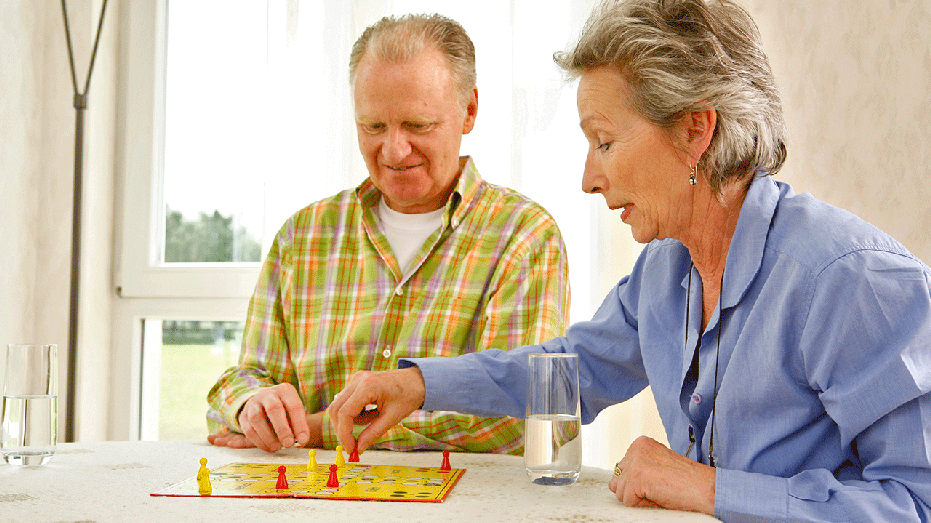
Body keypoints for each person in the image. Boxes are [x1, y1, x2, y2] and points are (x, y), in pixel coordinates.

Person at [328, 0, 931, 520]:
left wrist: (708, 488)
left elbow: (917, 502)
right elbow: (571, 370)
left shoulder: (852, 281)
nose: (589, 178)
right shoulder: (667, 271)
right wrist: (420, 383)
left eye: (606, 142)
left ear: (695, 130)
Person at [206, 13, 570, 455]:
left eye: (418, 125)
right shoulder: (302, 237)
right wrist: (252, 408)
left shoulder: (524, 236)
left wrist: (320, 428)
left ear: (469, 110)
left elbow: (515, 413)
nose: (395, 150)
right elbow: (248, 376)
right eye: (373, 127)